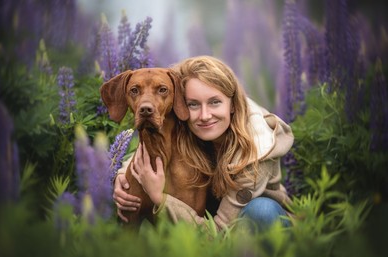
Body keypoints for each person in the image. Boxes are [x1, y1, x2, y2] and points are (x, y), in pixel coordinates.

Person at [113, 56, 294, 231]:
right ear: (180, 104)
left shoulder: (257, 151)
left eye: (215, 102)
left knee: (261, 210)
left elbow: (219, 233)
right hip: (204, 217)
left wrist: (159, 198)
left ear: (233, 104)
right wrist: (122, 176)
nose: (205, 115)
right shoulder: (185, 121)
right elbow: (156, 142)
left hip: (246, 225)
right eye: (193, 104)